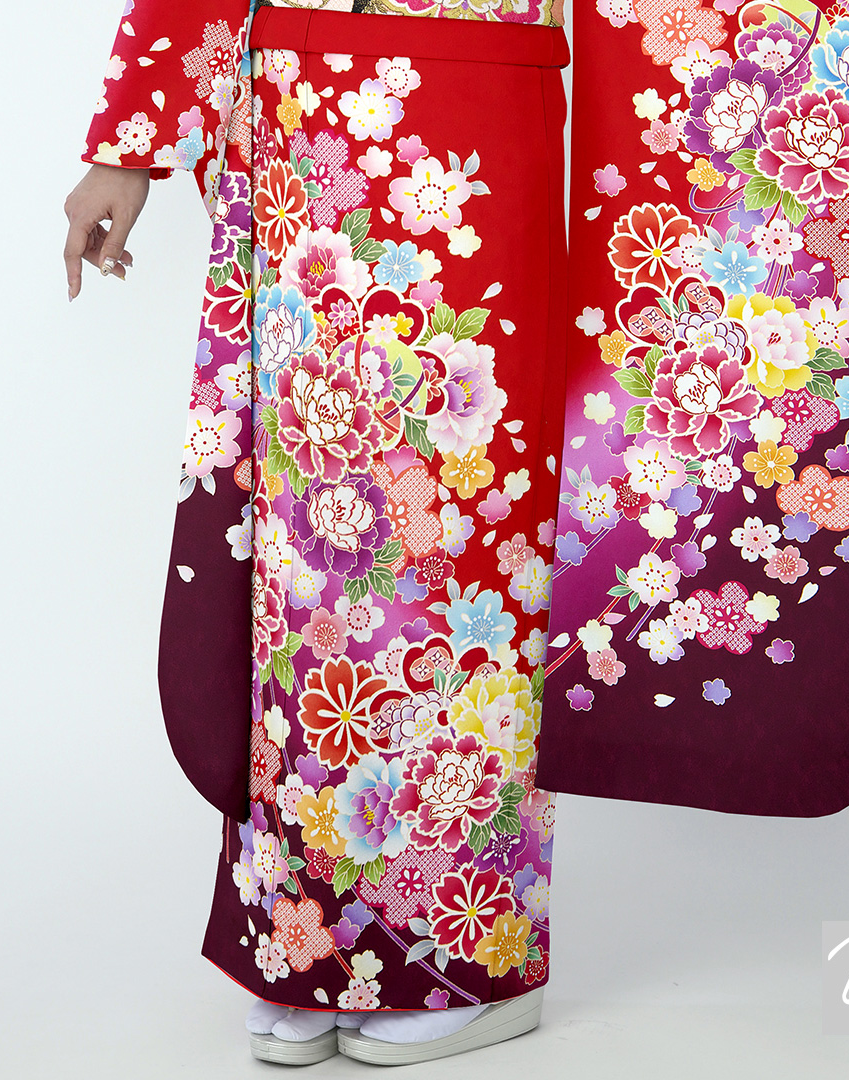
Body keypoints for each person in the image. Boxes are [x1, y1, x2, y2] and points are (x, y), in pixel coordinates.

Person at [65, 0, 569, 1066]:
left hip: (474, 102)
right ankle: (307, 944)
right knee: (312, 562)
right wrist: (131, 141)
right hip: (304, 124)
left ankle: (466, 951)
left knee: (460, 523)